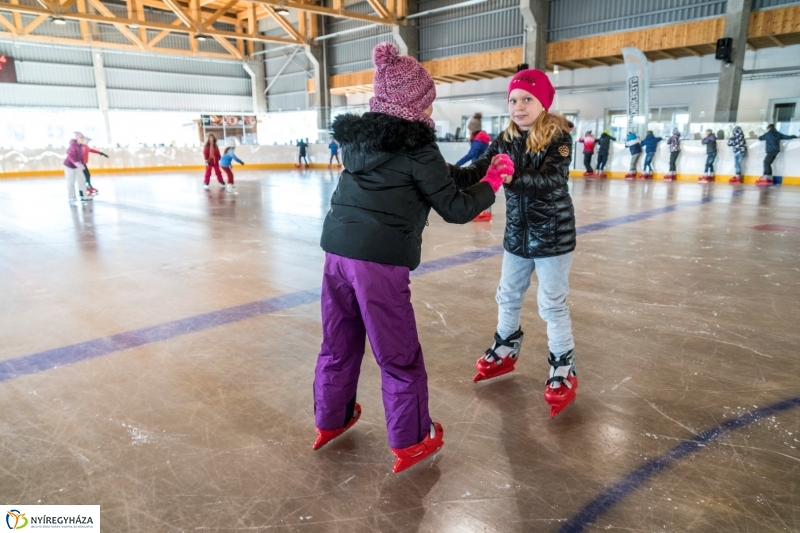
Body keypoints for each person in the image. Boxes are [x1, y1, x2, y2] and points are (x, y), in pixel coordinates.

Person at [313, 42, 507, 474]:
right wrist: (494, 184)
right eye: (428, 98)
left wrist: (483, 169)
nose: (431, 105)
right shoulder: (418, 149)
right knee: (399, 355)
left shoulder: (362, 144)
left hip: (337, 254)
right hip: (378, 263)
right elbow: (455, 208)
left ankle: (331, 417)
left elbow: (441, 179)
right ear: (414, 102)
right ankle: (413, 438)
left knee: (338, 343)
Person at [448, 68, 578, 419]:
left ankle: (563, 364)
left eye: (527, 99)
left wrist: (511, 175)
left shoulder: (559, 137)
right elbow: (477, 170)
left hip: (552, 235)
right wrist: (441, 170)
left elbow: (552, 178)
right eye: (513, 100)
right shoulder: (504, 140)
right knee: (507, 294)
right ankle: (506, 347)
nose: (518, 106)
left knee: (551, 303)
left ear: (543, 103)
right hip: (518, 234)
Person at [64, 132, 89, 205]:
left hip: (77, 166)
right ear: (77, 138)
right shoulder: (72, 146)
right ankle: (72, 197)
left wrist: (82, 163)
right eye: (81, 138)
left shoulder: (81, 146)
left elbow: (81, 156)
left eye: (83, 138)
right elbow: (70, 156)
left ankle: (83, 196)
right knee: (71, 181)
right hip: (69, 166)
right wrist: (76, 163)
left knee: (82, 180)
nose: (82, 139)